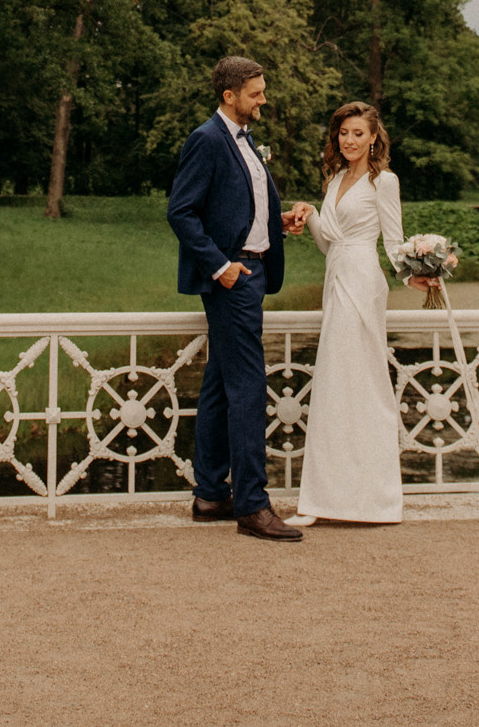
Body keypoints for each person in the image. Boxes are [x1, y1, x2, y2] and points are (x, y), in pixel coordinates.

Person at [167, 55, 302, 542]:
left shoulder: (244, 141)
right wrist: (222, 268)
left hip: (253, 268)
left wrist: (276, 224)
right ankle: (252, 505)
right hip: (234, 279)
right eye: (256, 92)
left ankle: (209, 494)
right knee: (247, 388)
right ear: (229, 96)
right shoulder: (206, 139)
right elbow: (181, 212)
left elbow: (241, 202)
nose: (263, 98)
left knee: (221, 384)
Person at [284, 100, 427, 526]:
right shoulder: (335, 180)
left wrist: (414, 274)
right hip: (336, 275)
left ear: (373, 138)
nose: (349, 140)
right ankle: (322, 501)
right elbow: (330, 242)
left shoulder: (384, 181)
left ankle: (375, 502)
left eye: (358, 134)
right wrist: (309, 215)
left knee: (361, 385)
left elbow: (393, 240)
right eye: (344, 133)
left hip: (362, 281)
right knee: (333, 385)